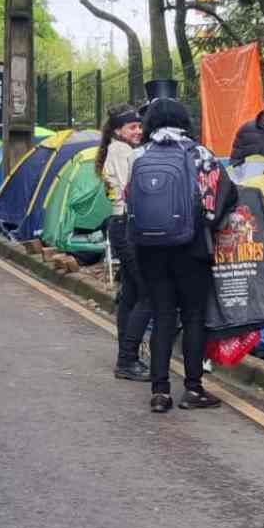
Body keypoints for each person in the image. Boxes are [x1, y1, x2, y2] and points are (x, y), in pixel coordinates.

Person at [129, 98, 238, 413]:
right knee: (193, 317)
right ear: (183, 119)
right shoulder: (200, 154)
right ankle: (193, 388)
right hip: (191, 246)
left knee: (163, 316)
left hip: (149, 249)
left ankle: (160, 392)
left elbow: (129, 199)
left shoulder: (140, 155)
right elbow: (223, 195)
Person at [97, 103, 153, 382]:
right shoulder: (122, 153)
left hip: (120, 225)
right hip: (127, 225)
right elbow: (133, 188)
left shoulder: (118, 149)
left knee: (131, 294)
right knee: (148, 295)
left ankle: (127, 354)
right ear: (119, 129)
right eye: (132, 127)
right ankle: (127, 359)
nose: (138, 131)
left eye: (140, 126)